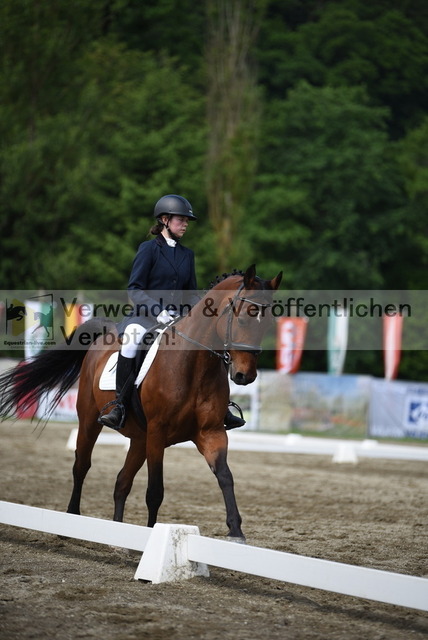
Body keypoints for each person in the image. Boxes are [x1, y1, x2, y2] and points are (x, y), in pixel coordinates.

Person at [99, 194, 245, 431]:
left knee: (212, 341)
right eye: (181, 220)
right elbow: (134, 289)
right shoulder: (148, 249)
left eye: (187, 221)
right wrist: (158, 311)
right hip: (145, 317)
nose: (185, 224)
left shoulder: (187, 254)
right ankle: (119, 405)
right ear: (165, 220)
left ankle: (222, 406)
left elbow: (191, 294)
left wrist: (206, 312)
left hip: (178, 318)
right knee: (132, 341)